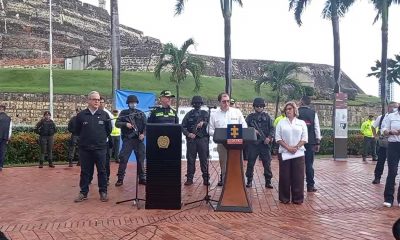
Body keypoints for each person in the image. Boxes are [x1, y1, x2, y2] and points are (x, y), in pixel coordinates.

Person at [74, 91, 112, 203]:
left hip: (100, 148)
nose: (97, 101)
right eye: (94, 99)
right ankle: (83, 192)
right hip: (85, 149)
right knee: (85, 171)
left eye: (98, 99)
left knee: (102, 171)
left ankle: (103, 192)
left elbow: (108, 130)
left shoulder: (104, 115)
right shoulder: (81, 115)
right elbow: (77, 130)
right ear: (88, 101)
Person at [208, 92, 247, 186]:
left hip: (237, 144)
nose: (226, 103)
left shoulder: (237, 112)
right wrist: (220, 135)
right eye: (224, 101)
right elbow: (209, 129)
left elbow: (244, 126)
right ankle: (227, 190)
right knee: (225, 168)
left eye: (228, 101)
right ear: (219, 102)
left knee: (238, 167)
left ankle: (238, 188)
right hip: (222, 145)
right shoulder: (214, 114)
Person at [275, 101, 308, 204]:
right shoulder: (281, 122)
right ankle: (284, 198)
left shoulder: (301, 123)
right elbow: (278, 138)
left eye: (290, 109)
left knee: (298, 176)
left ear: (295, 110)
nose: (288, 111)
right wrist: (288, 147)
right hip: (285, 152)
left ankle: (297, 198)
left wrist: (296, 147)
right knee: (285, 176)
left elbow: (305, 138)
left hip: (298, 153)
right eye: (286, 109)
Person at [115, 95, 147, 186]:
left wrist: (143, 134)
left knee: (141, 159)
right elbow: (117, 123)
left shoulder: (140, 113)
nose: (133, 104)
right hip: (128, 140)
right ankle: (120, 179)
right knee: (123, 159)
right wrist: (125, 124)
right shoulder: (124, 113)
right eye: (131, 103)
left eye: (135, 103)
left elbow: (146, 126)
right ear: (128, 104)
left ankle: (142, 178)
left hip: (139, 140)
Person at [245, 98, 274, 188]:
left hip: (264, 144)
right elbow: (244, 128)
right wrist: (252, 130)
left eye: (261, 106)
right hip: (253, 144)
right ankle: (249, 180)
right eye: (257, 106)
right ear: (254, 107)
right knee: (250, 163)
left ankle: (268, 181)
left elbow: (272, 128)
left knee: (267, 163)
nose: (259, 108)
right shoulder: (250, 117)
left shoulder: (267, 117)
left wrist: (269, 138)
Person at [181, 96, 210, 186]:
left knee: (204, 160)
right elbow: (182, 126)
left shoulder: (205, 113)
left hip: (202, 140)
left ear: (201, 104)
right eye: (195, 103)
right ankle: (190, 178)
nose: (197, 105)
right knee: (191, 160)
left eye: (199, 103)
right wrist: (188, 134)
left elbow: (211, 123)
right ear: (193, 104)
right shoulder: (189, 114)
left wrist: (204, 123)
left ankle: (205, 178)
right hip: (192, 140)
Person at [298, 96, 321, 192]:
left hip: (297, 142)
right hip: (310, 142)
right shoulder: (313, 113)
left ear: (301, 102)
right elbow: (316, 128)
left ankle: (297, 185)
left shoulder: (296, 112)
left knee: (297, 164)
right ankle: (310, 185)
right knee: (309, 164)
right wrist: (318, 142)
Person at [371, 101, 399, 184]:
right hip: (384, 143)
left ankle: (392, 179)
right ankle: (377, 177)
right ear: (388, 107)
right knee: (381, 160)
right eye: (392, 107)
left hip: (394, 143)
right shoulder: (382, 117)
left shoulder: (397, 117)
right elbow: (373, 126)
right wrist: (375, 136)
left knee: (394, 163)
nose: (394, 109)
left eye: (396, 107)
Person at [381, 105, 400, 208]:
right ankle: (388, 198)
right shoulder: (391, 116)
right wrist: (389, 132)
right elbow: (383, 129)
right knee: (392, 171)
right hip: (393, 145)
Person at [99, 97, 114, 184]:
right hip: (94, 142)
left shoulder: (108, 114)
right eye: (99, 102)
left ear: (105, 104)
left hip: (105, 141)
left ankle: (106, 178)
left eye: (102, 102)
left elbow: (110, 128)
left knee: (106, 161)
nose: (100, 104)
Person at [0, 104, 12, 171]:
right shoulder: (9, 118)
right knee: (2, 152)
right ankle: (0, 166)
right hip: (4, 137)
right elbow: (10, 129)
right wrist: (8, 137)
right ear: (5, 109)